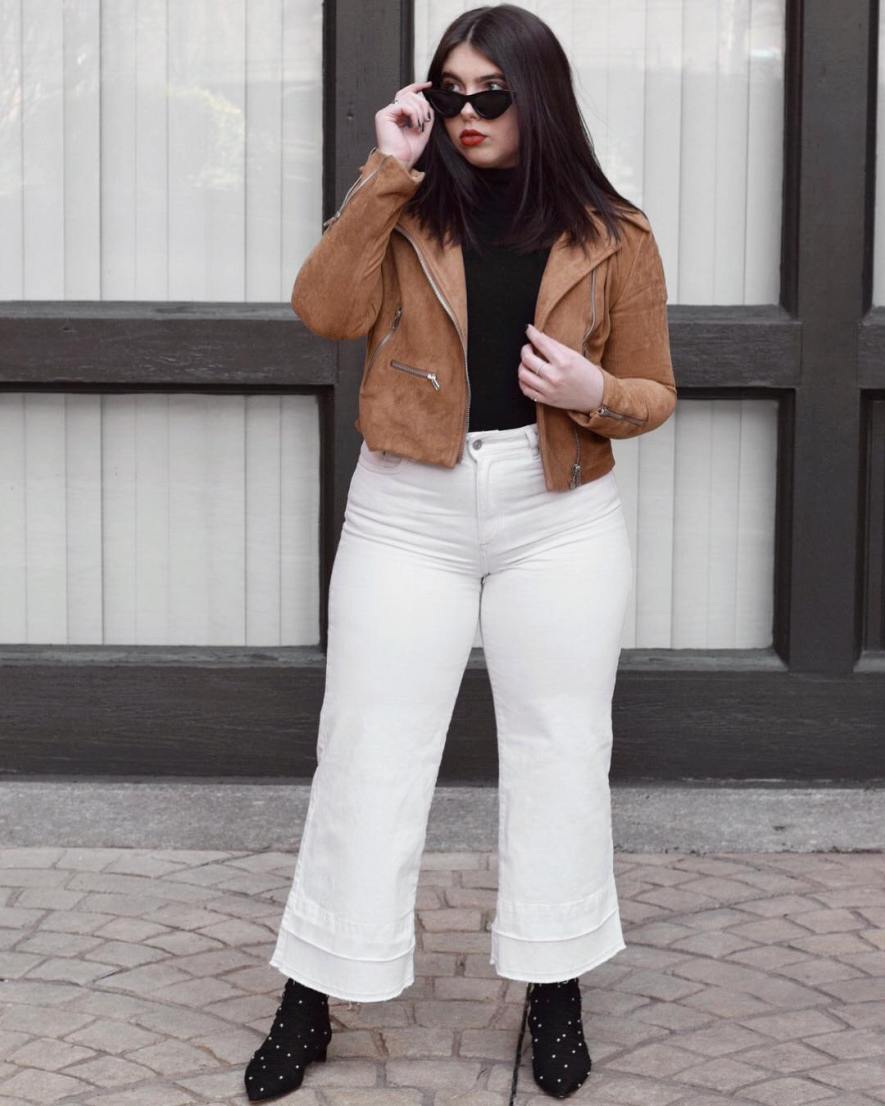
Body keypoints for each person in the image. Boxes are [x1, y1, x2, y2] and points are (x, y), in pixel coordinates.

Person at [244, 4, 676, 1101]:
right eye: (450, 93)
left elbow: (654, 391)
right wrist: (386, 168)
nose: (468, 113)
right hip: (408, 505)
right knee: (365, 752)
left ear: (539, 99)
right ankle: (314, 992)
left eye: (491, 94)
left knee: (561, 752)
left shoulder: (614, 233)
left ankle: (555, 984)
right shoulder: (404, 207)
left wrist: (594, 393)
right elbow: (323, 309)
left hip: (559, 510)